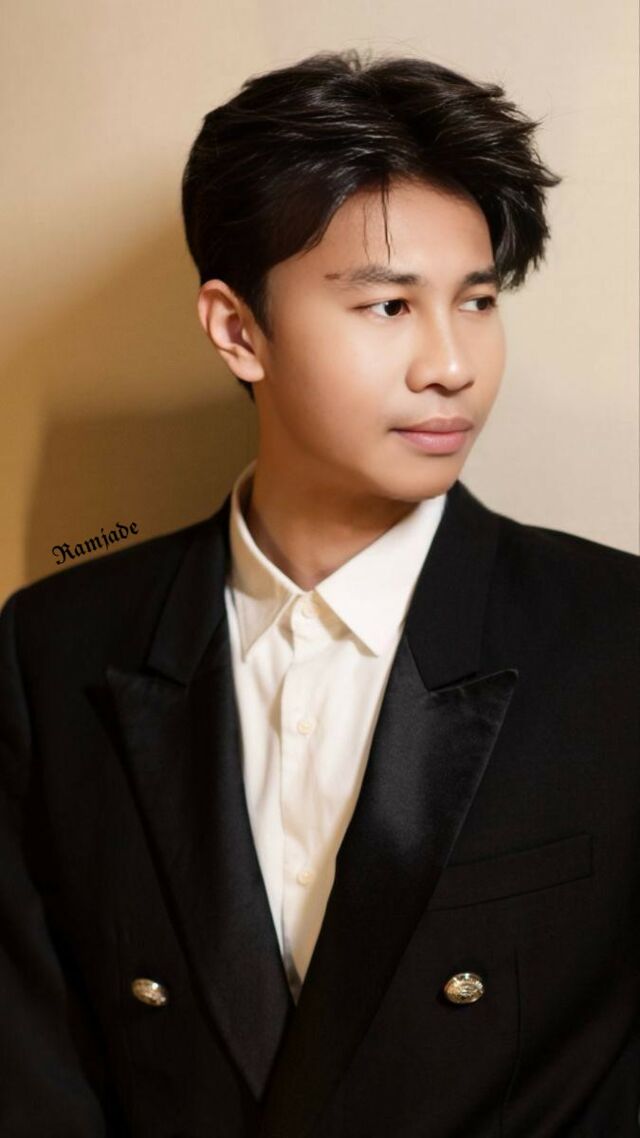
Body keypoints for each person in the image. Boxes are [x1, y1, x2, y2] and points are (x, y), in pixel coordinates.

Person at [0, 48, 638, 1138]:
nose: (451, 364)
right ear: (237, 330)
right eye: (388, 306)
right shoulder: (55, 646)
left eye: (478, 301)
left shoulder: (614, 636)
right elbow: (29, 1057)